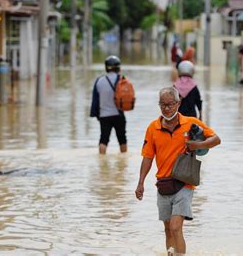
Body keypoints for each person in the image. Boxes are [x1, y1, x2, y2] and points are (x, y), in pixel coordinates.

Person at [135, 87, 221, 255]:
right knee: (167, 229)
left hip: (184, 184)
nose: (167, 109)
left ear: (178, 103)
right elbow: (147, 157)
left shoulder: (190, 123)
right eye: (163, 105)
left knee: (175, 227)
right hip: (163, 184)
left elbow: (216, 139)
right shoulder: (153, 128)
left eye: (170, 104)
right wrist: (140, 183)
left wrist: (198, 145)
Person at [90, 55, 127, 154]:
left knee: (103, 139)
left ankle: (101, 162)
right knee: (122, 139)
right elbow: (128, 98)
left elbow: (95, 101)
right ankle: (123, 164)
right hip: (119, 115)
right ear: (118, 67)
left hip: (104, 115)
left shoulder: (99, 81)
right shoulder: (122, 80)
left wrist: (97, 115)